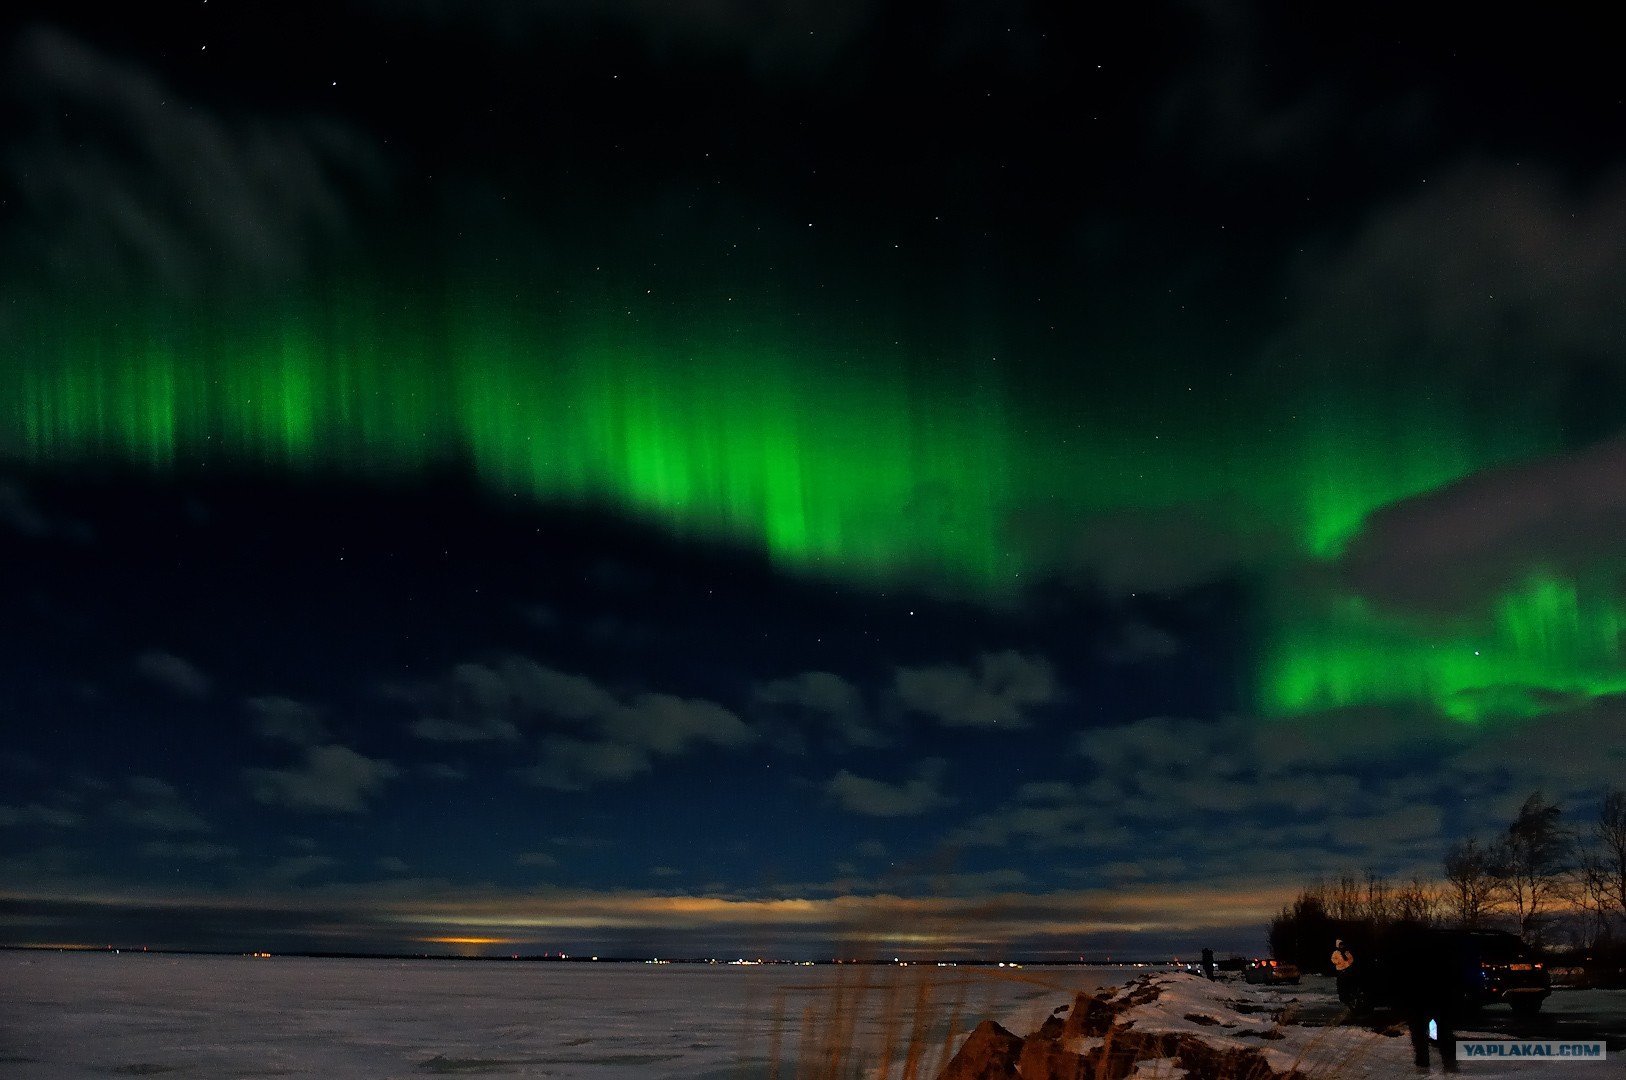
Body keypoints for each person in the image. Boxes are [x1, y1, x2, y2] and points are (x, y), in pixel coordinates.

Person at [1388, 923, 1463, 1073]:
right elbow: (1451, 975)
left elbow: (1399, 979)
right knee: (1442, 1032)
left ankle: (1424, 1065)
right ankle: (1449, 1065)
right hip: (1437, 998)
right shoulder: (1439, 952)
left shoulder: (1406, 954)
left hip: (1419, 1000)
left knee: (1420, 1034)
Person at [1331, 938, 1356, 1004]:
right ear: (1338, 946)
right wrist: (1338, 962)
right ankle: (1343, 998)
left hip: (1347, 969)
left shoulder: (1346, 952)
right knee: (1341, 984)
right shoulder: (1335, 953)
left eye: (1342, 945)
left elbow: (1351, 959)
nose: (1342, 946)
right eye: (1340, 945)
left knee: (1348, 983)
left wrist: (1349, 963)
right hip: (1340, 970)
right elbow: (1333, 959)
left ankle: (1349, 997)